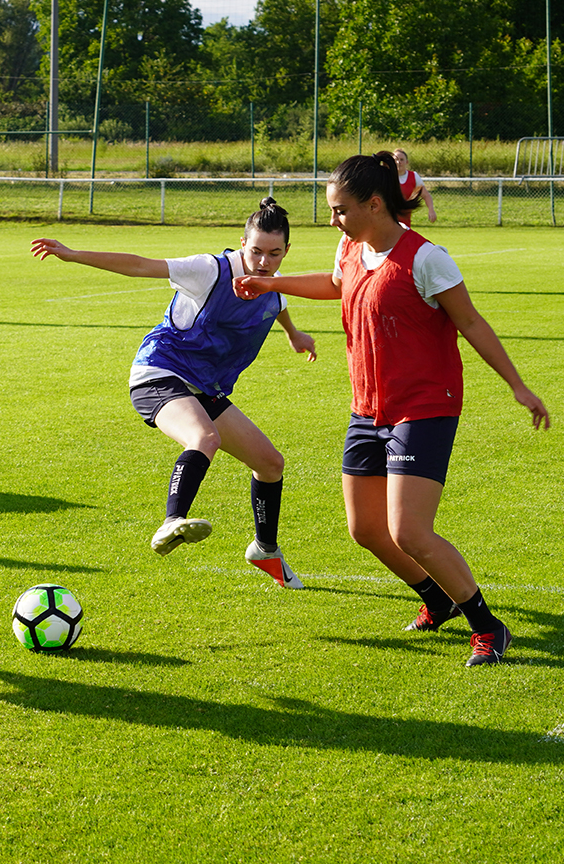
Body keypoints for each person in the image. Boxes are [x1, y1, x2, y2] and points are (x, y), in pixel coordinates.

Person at [234, 152, 550, 666]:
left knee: (409, 532)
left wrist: (517, 385)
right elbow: (336, 285)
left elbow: (471, 323)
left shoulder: (426, 259)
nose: (333, 220)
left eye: (340, 210)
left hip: (423, 407)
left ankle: (488, 627)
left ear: (375, 205)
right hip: (367, 410)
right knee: (366, 529)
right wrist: (272, 284)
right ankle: (437, 601)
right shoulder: (351, 249)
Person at [31, 197, 317, 589]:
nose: (263, 262)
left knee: (270, 463)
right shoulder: (209, 270)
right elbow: (141, 265)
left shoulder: (273, 286)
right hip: (159, 372)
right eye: (255, 251)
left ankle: (265, 550)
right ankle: (172, 521)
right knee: (204, 437)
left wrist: (294, 334)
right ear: (242, 243)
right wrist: (73, 254)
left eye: (274, 253)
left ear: (287, 250)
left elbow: (277, 303)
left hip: (203, 386)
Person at [393, 148, 436, 226]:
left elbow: (426, 195)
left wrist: (431, 210)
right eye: (396, 159)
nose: (398, 162)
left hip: (405, 220)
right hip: (388, 219)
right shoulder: (387, 176)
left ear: (407, 162)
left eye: (401, 160)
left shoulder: (413, 176)